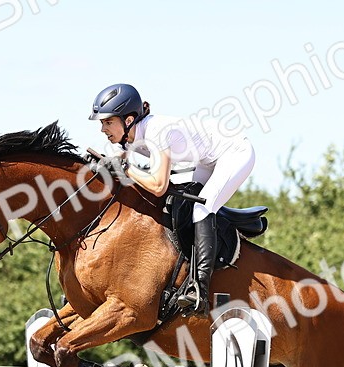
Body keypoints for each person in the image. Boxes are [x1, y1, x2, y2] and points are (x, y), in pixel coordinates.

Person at [88, 83, 256, 315]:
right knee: (182, 205)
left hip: (234, 152)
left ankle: (199, 289)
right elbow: (118, 167)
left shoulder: (157, 132)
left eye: (108, 122)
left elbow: (158, 186)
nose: (103, 129)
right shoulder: (124, 138)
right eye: (102, 123)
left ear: (128, 120)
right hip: (205, 160)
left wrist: (124, 168)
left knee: (202, 209)